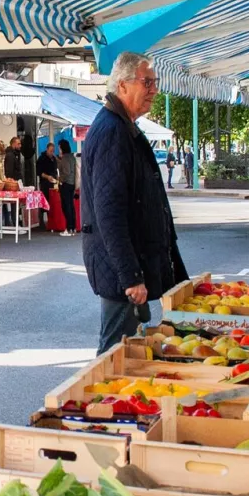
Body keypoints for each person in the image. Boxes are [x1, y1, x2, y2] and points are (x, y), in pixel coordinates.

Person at [81, 52, 187, 355]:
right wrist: (130, 276)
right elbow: (109, 213)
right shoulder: (113, 132)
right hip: (120, 272)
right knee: (114, 353)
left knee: (128, 351)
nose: (154, 89)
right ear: (123, 85)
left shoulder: (123, 127)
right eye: (148, 82)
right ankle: (97, 402)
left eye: (155, 82)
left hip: (130, 267)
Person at [37, 142, 66, 232]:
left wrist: (57, 178)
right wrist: (47, 177)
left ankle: (52, 222)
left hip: (53, 182)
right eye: (50, 151)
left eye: (53, 151)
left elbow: (56, 170)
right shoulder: (41, 159)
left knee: (52, 202)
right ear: (47, 150)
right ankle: (41, 222)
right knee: (44, 202)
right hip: (45, 182)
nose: (52, 153)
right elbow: (39, 172)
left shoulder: (54, 159)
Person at [57, 138, 78, 235]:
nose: (59, 149)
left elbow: (66, 172)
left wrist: (60, 179)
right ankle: (73, 228)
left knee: (66, 206)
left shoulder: (65, 158)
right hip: (72, 184)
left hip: (65, 185)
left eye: (59, 147)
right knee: (71, 206)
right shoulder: (72, 157)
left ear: (62, 148)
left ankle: (68, 228)